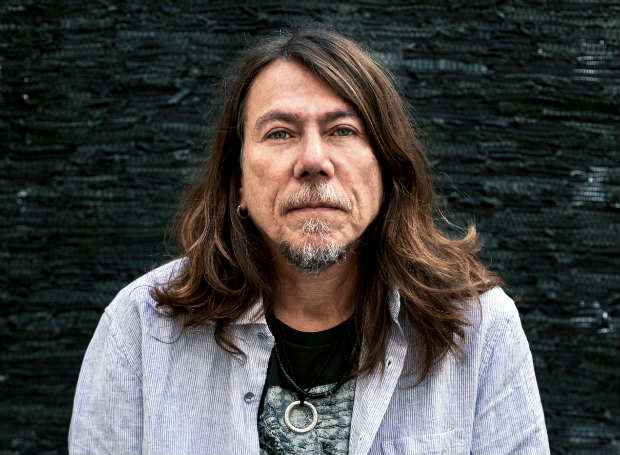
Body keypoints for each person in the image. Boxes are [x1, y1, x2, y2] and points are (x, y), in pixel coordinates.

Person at [68, 27, 550, 455]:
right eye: (280, 133)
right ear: (237, 182)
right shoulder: (141, 328)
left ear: (386, 169)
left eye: (343, 130)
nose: (314, 161)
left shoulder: (478, 328)